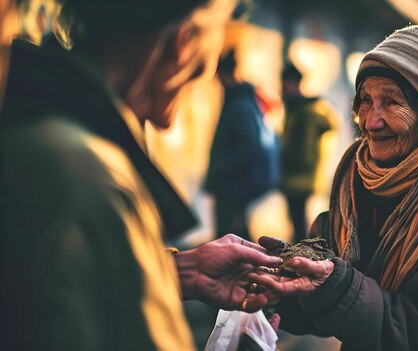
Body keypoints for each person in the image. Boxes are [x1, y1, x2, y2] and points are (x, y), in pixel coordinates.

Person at [0, 1, 281, 349]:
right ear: (183, 40)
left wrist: (177, 271)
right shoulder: (92, 178)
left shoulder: (29, 127)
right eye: (217, 34)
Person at [252, 25, 418, 351]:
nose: (371, 121)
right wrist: (282, 285)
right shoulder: (358, 179)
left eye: (390, 102)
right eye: (365, 100)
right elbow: (332, 299)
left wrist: (339, 287)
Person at [203, 49, 280, 242]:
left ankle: (249, 268)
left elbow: (249, 145)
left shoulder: (239, 104)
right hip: (235, 183)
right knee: (236, 234)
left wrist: (221, 168)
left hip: (233, 184)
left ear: (223, 74)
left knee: (229, 237)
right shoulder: (244, 101)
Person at [280, 62, 339, 243]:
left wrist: (287, 159)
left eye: (285, 83)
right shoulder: (296, 108)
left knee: (298, 220)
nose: (282, 88)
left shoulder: (305, 112)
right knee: (297, 219)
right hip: (296, 175)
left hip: (299, 175)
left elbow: (302, 150)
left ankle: (300, 256)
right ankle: (300, 253)